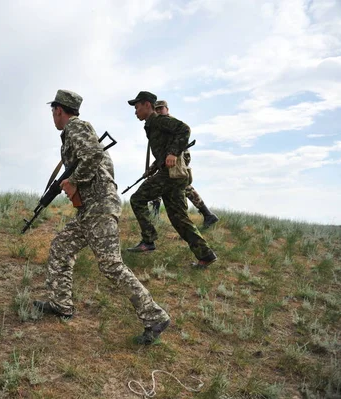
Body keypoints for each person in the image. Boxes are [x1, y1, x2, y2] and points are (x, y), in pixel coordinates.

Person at [32, 89, 171, 344]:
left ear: (59, 110)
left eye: (53, 112)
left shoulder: (76, 127)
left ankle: (155, 317)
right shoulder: (74, 133)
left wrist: (73, 180)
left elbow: (94, 155)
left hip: (100, 207)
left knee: (110, 265)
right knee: (61, 247)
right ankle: (61, 305)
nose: (53, 117)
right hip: (89, 209)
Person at [126, 91, 217, 268]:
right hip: (171, 175)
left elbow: (185, 129)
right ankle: (205, 255)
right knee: (179, 219)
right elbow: (163, 151)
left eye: (137, 107)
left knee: (137, 199)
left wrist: (173, 153)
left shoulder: (159, 120)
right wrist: (154, 167)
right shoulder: (151, 125)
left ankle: (148, 240)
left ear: (147, 105)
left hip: (171, 175)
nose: (135, 111)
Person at [153, 100, 219, 228]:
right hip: (170, 156)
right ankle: (207, 214)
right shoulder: (160, 124)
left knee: (173, 182)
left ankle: (155, 214)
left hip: (178, 156)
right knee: (169, 181)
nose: (159, 111)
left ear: (167, 108)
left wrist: (173, 154)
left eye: (161, 108)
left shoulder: (169, 122)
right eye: (157, 109)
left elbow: (183, 133)